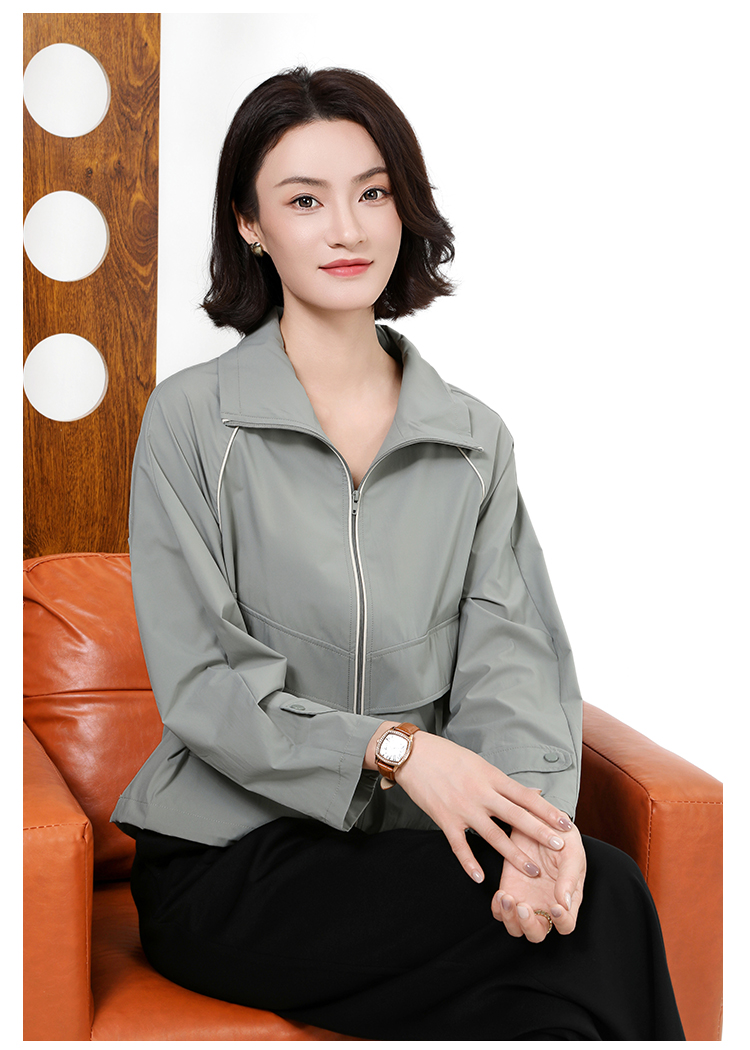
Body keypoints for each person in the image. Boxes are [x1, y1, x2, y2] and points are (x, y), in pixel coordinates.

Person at [112, 66, 685, 1040]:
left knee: (546, 993)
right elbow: (207, 685)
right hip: (230, 858)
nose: (347, 228)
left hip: (411, 854)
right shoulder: (192, 422)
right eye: (305, 200)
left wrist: (534, 835)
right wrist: (395, 750)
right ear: (250, 223)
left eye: (372, 193)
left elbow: (511, 662)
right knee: (614, 905)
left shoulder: (472, 440)